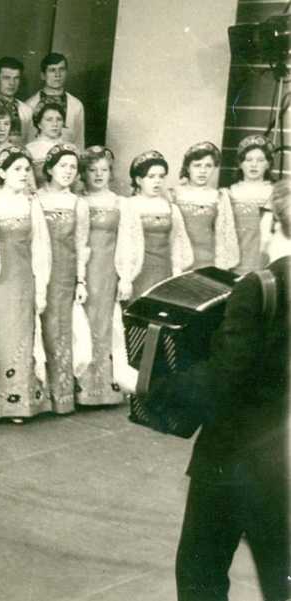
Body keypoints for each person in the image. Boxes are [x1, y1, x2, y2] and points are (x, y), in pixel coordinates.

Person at [159, 179, 290, 601]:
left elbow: (225, 374)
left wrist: (155, 387)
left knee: (201, 570)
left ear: (272, 223)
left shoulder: (261, 286)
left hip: (235, 456)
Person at [0, 146, 52, 421]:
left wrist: (41, 284)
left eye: (27, 169)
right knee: (0, 337)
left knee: (24, 336)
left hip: (24, 280)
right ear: (1, 173)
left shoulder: (31, 204)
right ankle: (0, 404)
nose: (24, 174)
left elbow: (41, 247)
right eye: (17, 169)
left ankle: (23, 402)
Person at [35, 144, 90, 414]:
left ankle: (61, 395)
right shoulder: (35, 199)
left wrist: (81, 280)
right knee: (37, 328)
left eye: (73, 167)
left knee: (60, 329)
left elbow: (81, 244)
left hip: (64, 273)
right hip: (36, 272)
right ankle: (39, 394)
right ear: (49, 168)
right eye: (63, 166)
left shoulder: (78, 204)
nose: (68, 171)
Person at [77, 146, 129, 406]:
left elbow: (126, 242)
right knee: (80, 323)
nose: (98, 175)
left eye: (104, 170)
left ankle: (103, 388)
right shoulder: (78, 201)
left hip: (106, 271)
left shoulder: (120, 203)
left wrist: (125, 275)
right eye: (92, 170)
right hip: (81, 269)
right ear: (83, 173)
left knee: (103, 323)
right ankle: (79, 388)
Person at [115, 150, 193, 301]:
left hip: (164, 271)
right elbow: (125, 244)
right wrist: (125, 278)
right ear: (139, 180)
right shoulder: (129, 206)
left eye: (161, 176)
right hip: (139, 271)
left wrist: (176, 270)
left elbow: (177, 242)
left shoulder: (171, 208)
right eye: (151, 177)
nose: (157, 181)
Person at [168, 141, 239, 271]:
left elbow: (224, 235)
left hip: (207, 262)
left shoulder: (219, 196)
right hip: (179, 263)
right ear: (188, 167)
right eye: (197, 165)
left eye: (208, 166)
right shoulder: (173, 195)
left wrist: (221, 267)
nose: (202, 171)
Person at [227, 135, 275, 274]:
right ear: (240, 163)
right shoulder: (230, 193)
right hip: (235, 257)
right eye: (248, 160)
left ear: (268, 164)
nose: (254, 165)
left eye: (260, 160)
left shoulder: (274, 193)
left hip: (261, 258)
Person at [25, 53, 85, 148]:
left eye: (62, 69)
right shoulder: (29, 105)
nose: (58, 75)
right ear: (43, 75)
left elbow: (79, 143)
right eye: (52, 70)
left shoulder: (76, 105)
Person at [0, 56, 34, 144]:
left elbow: (30, 142)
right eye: (6, 78)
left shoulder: (27, 111)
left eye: (16, 78)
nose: (12, 83)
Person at [25, 103, 67, 188]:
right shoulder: (29, 150)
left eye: (59, 119)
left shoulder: (70, 148)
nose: (55, 124)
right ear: (39, 124)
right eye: (49, 119)